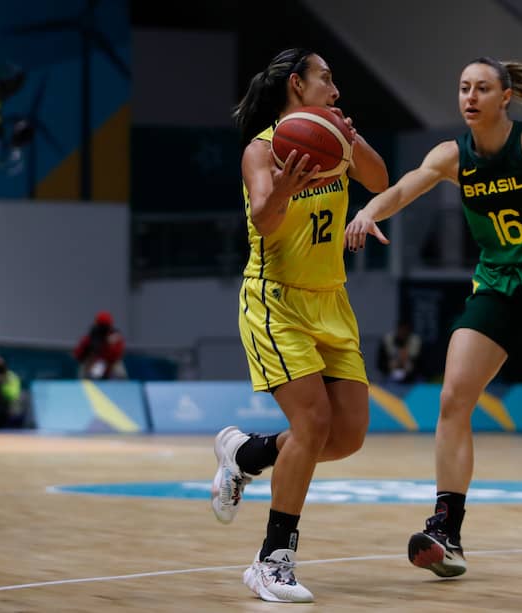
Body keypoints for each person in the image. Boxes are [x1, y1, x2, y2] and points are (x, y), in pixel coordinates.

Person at [346, 48, 522, 574]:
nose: (470, 96)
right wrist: (369, 210)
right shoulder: (451, 154)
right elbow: (403, 188)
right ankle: (448, 527)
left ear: (506, 96)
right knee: (453, 398)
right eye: (464, 87)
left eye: (482, 88)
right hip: (497, 285)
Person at [209, 48, 388, 603]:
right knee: (311, 423)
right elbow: (264, 217)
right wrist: (288, 184)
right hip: (276, 300)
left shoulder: (334, 139)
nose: (336, 91)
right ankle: (273, 560)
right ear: (297, 83)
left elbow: (381, 180)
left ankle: (248, 454)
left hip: (331, 300)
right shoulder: (260, 150)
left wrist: (349, 139)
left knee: (347, 435)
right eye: (326, 80)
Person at [73, 311, 127, 380]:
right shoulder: (91, 336)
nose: (103, 329)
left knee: (119, 371)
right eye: (101, 325)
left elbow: (117, 355)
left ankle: (123, 387)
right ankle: (82, 386)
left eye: (105, 326)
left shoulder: (115, 337)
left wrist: (108, 345)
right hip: (94, 362)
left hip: (110, 363)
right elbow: (78, 354)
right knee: (86, 370)